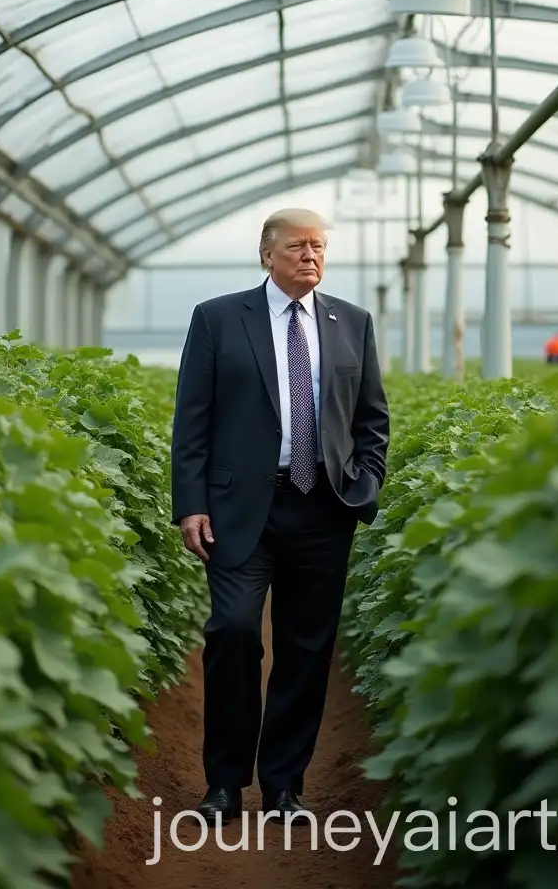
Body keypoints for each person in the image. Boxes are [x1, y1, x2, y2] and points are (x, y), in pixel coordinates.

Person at [170, 207, 390, 825]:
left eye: (319, 247)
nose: (311, 257)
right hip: (240, 510)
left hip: (323, 509)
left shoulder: (352, 323)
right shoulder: (218, 318)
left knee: (306, 649)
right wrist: (190, 502)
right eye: (297, 247)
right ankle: (224, 786)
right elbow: (193, 418)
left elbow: (372, 418)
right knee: (235, 633)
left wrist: (363, 486)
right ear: (266, 254)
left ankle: (285, 788)